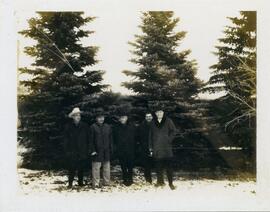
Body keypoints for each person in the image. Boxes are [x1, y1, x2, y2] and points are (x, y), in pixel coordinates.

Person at [149, 108, 177, 190]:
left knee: (169, 167)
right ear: (155, 113)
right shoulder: (152, 122)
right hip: (157, 148)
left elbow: (174, 131)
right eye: (157, 112)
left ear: (163, 113)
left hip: (166, 148)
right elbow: (150, 136)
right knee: (158, 167)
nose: (159, 114)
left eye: (161, 112)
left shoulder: (168, 121)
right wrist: (150, 147)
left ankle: (171, 183)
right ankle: (159, 182)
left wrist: (169, 139)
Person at [63, 107, 91, 188]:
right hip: (72, 150)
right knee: (71, 168)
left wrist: (87, 149)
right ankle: (70, 183)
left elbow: (88, 138)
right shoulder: (68, 126)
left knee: (81, 168)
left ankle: (80, 182)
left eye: (79, 115)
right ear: (73, 117)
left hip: (82, 150)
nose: (78, 117)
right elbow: (65, 139)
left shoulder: (85, 126)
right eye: (76, 115)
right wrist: (67, 150)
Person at [90, 111, 113, 189]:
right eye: (99, 118)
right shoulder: (93, 127)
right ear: (96, 119)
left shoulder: (107, 127)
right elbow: (90, 140)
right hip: (97, 151)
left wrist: (111, 149)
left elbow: (111, 139)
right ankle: (96, 183)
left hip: (106, 151)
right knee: (96, 168)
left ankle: (106, 182)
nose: (101, 119)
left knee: (106, 167)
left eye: (102, 117)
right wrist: (92, 150)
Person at [113, 112, 136, 186]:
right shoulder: (116, 127)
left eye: (124, 117)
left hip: (130, 149)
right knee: (123, 165)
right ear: (119, 119)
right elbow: (114, 139)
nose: (122, 119)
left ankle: (130, 178)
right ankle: (125, 179)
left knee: (130, 165)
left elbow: (136, 138)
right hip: (121, 150)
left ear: (126, 118)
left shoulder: (132, 126)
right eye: (121, 118)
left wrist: (135, 147)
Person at [138, 112, 153, 184]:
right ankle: (148, 180)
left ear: (152, 117)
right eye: (147, 116)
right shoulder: (141, 126)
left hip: (155, 146)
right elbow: (139, 137)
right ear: (145, 117)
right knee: (146, 164)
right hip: (145, 147)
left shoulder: (155, 125)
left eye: (150, 116)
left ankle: (160, 179)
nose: (148, 118)